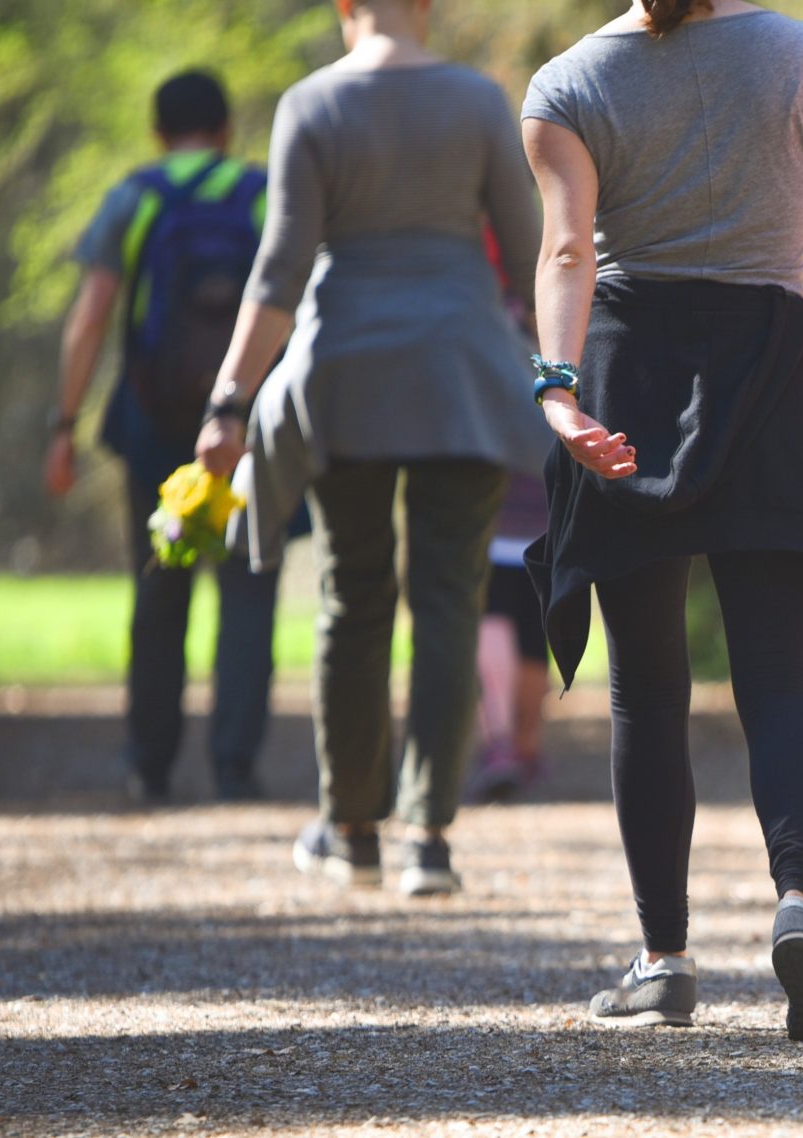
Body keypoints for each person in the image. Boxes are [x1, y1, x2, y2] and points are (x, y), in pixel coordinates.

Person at [521, 0, 803, 1039]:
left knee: (646, 690)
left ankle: (663, 959)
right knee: (779, 678)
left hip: (624, 383)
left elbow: (568, 253)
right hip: (770, 381)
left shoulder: (565, 85)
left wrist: (558, 395)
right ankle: (802, 907)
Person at [194, 0, 549, 898]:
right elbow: (533, 249)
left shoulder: (310, 106)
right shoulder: (477, 102)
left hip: (345, 377)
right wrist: (563, 381)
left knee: (353, 594)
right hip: (462, 374)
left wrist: (231, 400)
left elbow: (278, 271)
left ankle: (351, 828)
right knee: (448, 599)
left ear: (348, 7)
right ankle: (427, 838)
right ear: (427, 7)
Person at [44, 70, 281, 804]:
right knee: (248, 585)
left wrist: (64, 423)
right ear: (226, 129)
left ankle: (150, 762)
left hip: (153, 420)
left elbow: (90, 318)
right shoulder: (263, 193)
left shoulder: (136, 197)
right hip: (247, 420)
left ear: (157, 131)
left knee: (159, 585)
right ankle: (235, 764)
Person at [465, 472, 556, 803]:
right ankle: (526, 748)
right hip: (545, 521)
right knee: (535, 635)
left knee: (492, 622)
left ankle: (500, 745)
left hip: (489, 517)